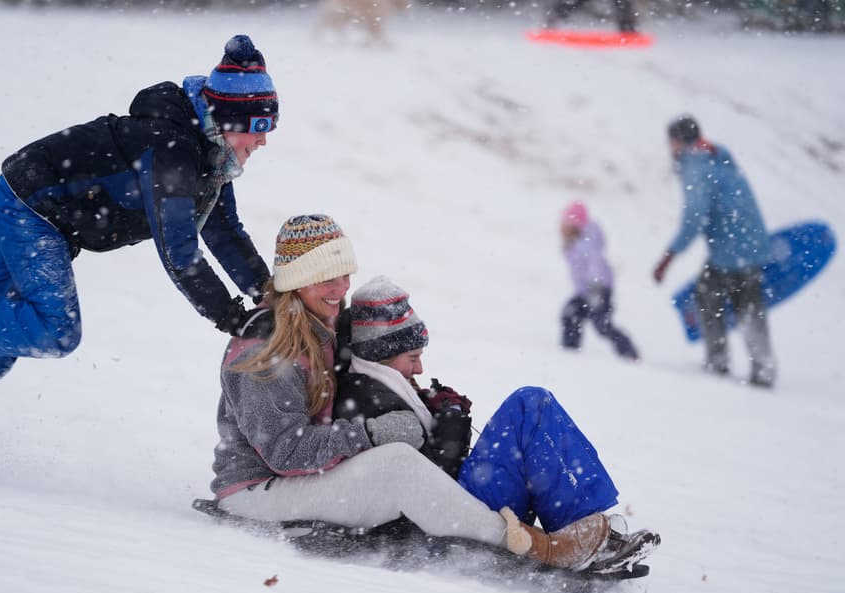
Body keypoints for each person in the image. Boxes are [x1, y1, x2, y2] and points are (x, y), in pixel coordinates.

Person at [0, 34, 280, 470]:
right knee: (54, 331)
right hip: (32, 207)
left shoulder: (209, 154)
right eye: (258, 129)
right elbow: (179, 251)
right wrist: (230, 316)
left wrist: (267, 292)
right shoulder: (171, 149)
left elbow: (224, 232)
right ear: (228, 119)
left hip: (51, 216)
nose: (262, 141)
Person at [210, 215, 653, 574]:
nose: (341, 287)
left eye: (345, 273)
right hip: (258, 491)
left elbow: (377, 361)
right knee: (398, 465)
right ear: (297, 280)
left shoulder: (322, 323)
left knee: (527, 406)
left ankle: (593, 532)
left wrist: (424, 399)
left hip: (303, 475)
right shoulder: (266, 349)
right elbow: (284, 451)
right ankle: (540, 548)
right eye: (326, 277)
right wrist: (368, 433)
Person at [333, 275, 656, 544]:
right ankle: (584, 533)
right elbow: (414, 490)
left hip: (462, 499)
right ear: (382, 354)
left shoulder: (380, 384)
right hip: (452, 516)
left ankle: (589, 530)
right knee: (529, 406)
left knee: (530, 410)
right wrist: (451, 426)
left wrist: (436, 410)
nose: (419, 369)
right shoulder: (365, 398)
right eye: (413, 358)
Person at [652, 115, 776, 388]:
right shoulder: (718, 158)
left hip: (731, 251)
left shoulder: (696, 166)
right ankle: (761, 366)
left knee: (712, 296)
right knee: (745, 302)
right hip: (750, 244)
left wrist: (667, 258)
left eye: (671, 141)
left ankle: (720, 361)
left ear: (678, 141)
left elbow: (694, 217)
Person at [559, 201, 639, 360]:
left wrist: (596, 289)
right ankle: (570, 350)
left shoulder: (587, 245)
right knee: (570, 314)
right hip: (584, 292)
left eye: (565, 225)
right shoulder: (574, 244)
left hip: (598, 290)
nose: (561, 229)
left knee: (602, 325)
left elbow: (595, 266)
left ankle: (627, 350)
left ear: (575, 226)